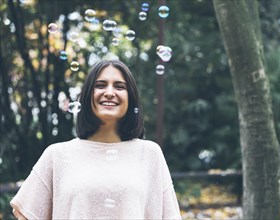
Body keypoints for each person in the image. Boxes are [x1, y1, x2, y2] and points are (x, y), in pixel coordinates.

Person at [10, 59, 182, 220]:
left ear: (131, 99)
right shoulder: (56, 155)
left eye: (119, 87)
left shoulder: (150, 154)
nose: (109, 93)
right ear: (87, 96)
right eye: (100, 85)